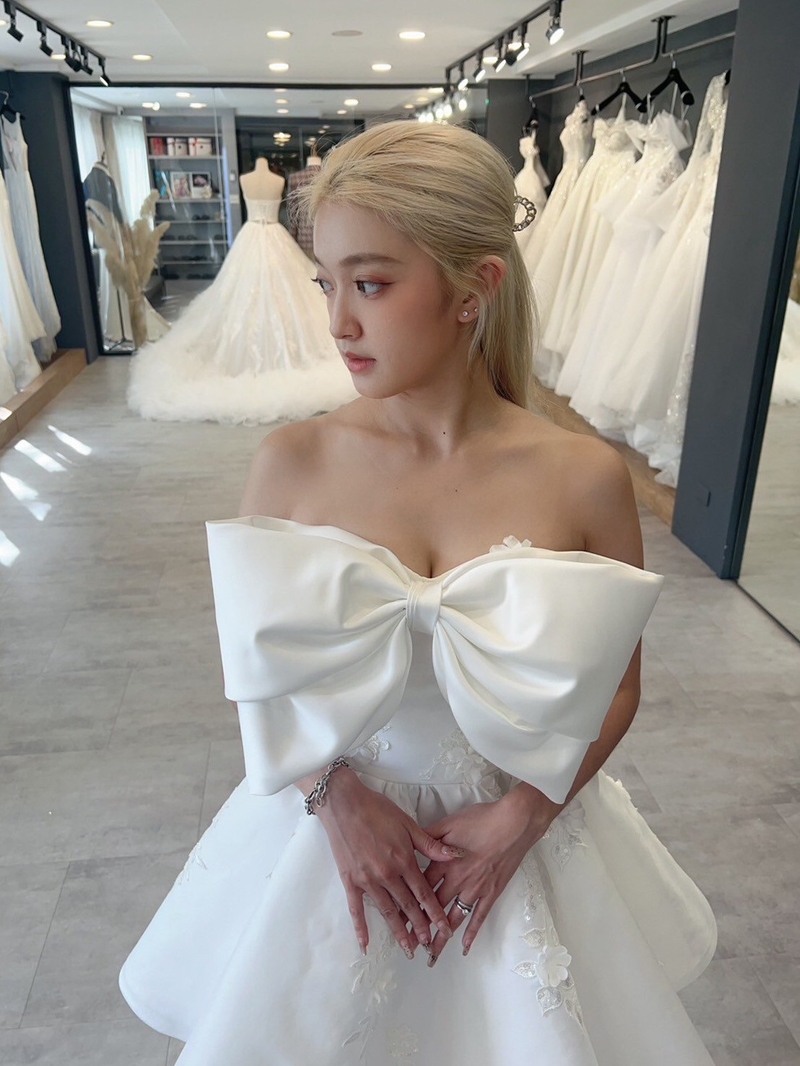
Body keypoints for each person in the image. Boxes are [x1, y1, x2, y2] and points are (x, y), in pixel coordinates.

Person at [119, 121, 716, 1065]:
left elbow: (619, 685)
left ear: (475, 288)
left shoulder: (583, 477)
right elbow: (257, 673)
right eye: (326, 283)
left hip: (514, 838)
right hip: (332, 832)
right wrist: (334, 801)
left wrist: (524, 816)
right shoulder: (292, 463)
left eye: (370, 283)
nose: (338, 323)